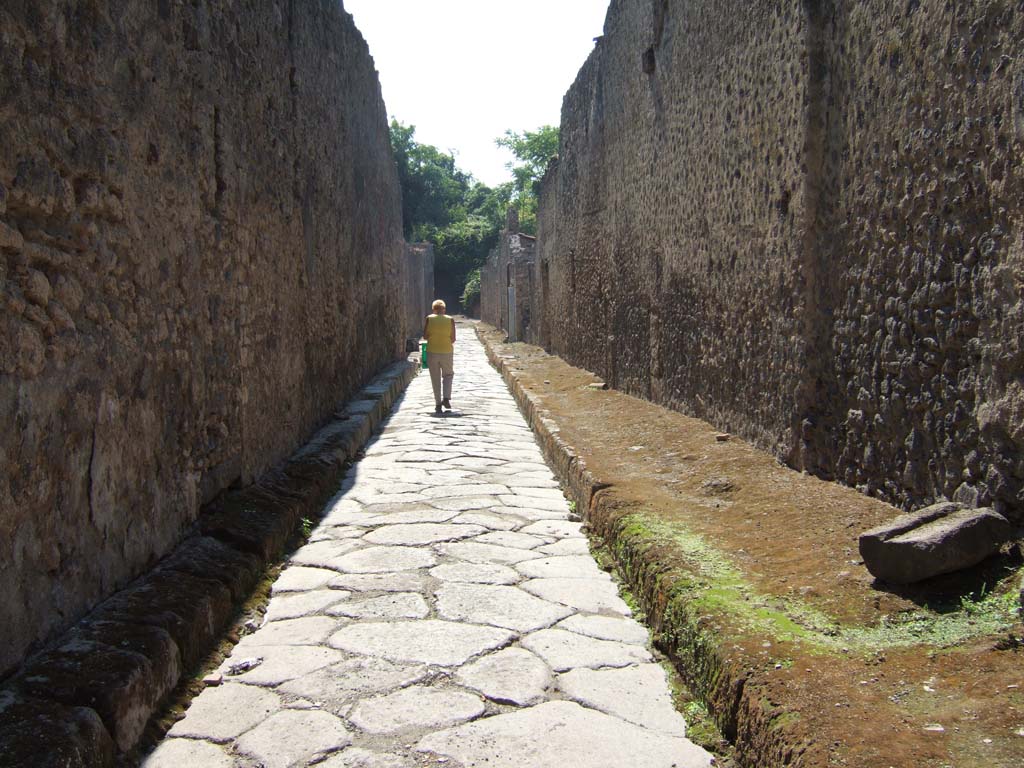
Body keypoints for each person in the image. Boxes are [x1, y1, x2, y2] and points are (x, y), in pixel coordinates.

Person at [423, 299, 456, 414]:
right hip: (447, 351)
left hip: (432, 351)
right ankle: (446, 398)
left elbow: (425, 336)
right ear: (444, 309)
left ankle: (437, 404)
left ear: (433, 309)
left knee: (435, 378)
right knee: (448, 375)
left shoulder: (429, 319)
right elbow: (453, 339)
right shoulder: (450, 320)